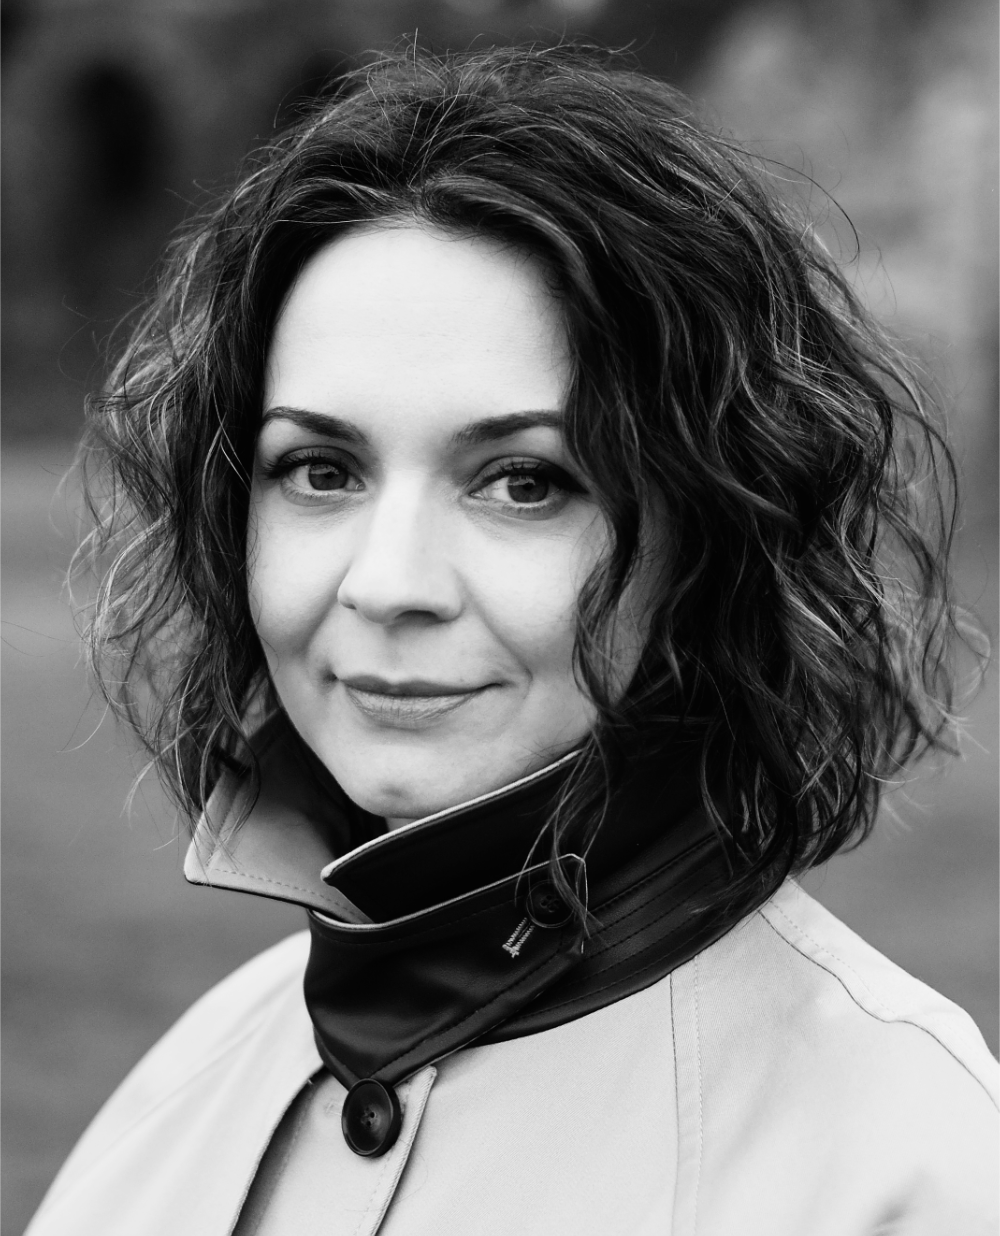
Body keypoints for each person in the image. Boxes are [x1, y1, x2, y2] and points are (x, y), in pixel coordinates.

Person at [26, 43, 1000, 1236]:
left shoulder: (908, 1168)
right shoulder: (185, 1084)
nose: (388, 584)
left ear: (712, 530)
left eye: (523, 482)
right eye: (320, 470)